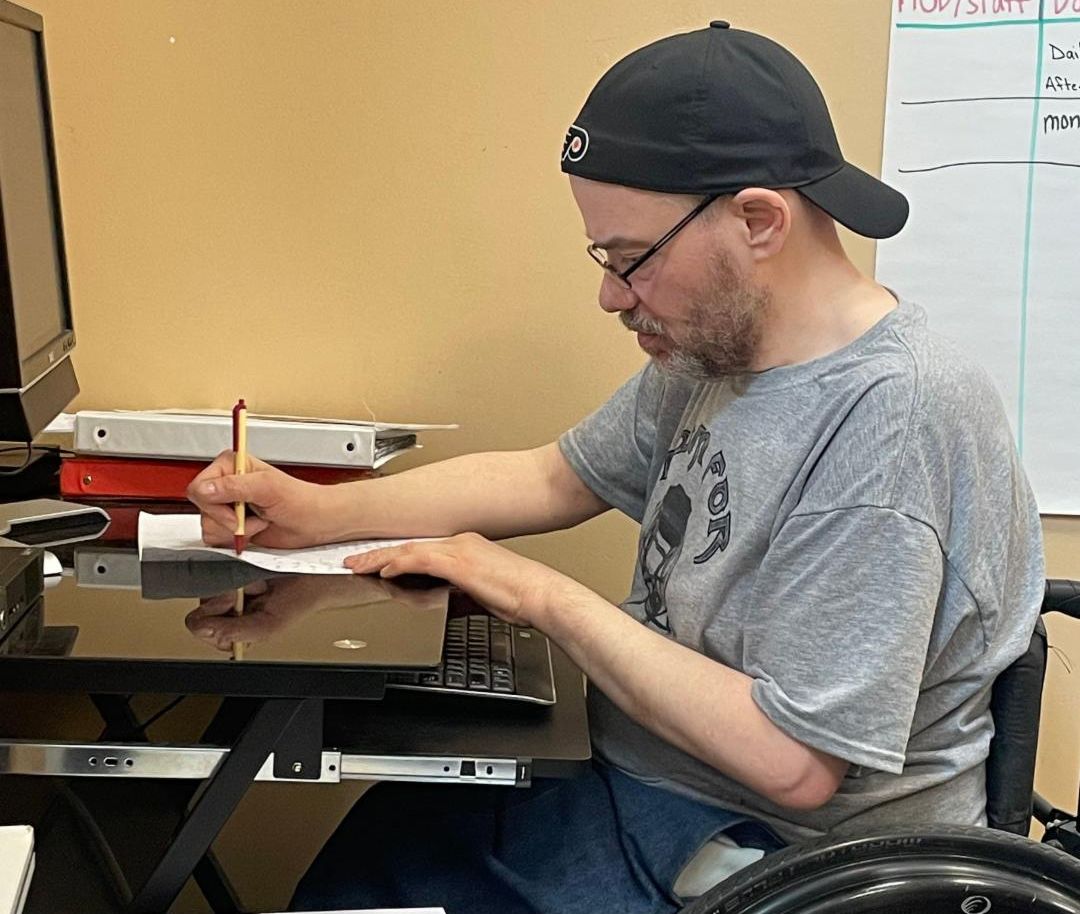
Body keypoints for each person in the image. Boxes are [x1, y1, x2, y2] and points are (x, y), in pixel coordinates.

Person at [188, 22, 1045, 914]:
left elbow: (795, 765)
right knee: (374, 849)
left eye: (630, 259)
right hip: (646, 783)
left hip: (771, 859)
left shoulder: (895, 422)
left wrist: (533, 591)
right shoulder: (722, 352)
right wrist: (314, 514)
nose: (610, 293)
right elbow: (557, 476)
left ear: (758, 220)